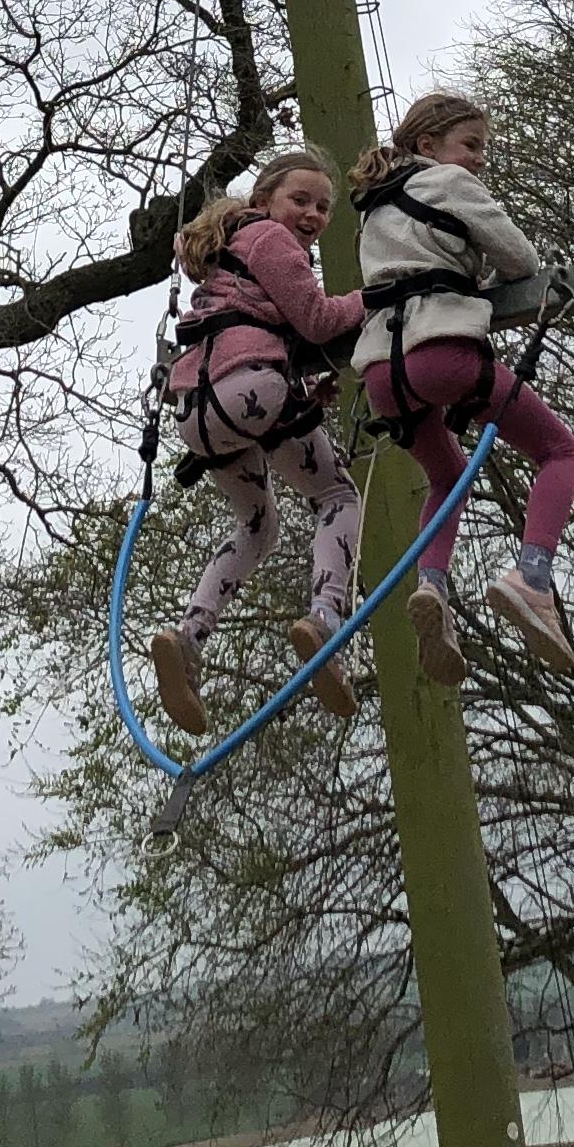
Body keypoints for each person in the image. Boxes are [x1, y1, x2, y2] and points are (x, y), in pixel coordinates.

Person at [351, 90, 574, 683]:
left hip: (382, 373)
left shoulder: (373, 208)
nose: (480, 158)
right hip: (442, 354)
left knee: (447, 476)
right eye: (471, 145)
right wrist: (480, 279)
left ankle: (432, 584)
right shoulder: (450, 183)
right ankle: (532, 578)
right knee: (560, 451)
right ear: (428, 145)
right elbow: (521, 259)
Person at [148, 145, 370, 735]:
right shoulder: (270, 238)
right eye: (301, 200)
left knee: (258, 525)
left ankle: (189, 637)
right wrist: (374, 297)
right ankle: (325, 618)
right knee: (338, 496)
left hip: (200, 415)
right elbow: (319, 319)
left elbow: (260, 329)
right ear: (265, 201)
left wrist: (305, 393)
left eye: (323, 207)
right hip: (250, 392)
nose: (313, 215)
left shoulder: (231, 255)